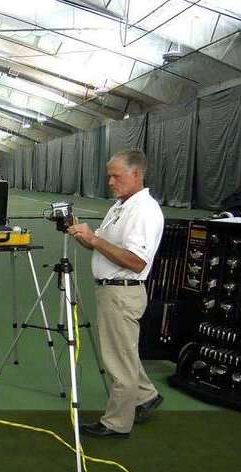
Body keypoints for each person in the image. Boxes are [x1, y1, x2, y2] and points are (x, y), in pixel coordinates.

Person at [66, 149, 165, 438]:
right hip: (112, 292)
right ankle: (146, 396)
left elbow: (136, 261)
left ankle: (117, 423)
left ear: (136, 174)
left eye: (116, 176)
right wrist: (84, 235)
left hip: (122, 293)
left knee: (117, 361)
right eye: (109, 175)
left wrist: (94, 239)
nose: (110, 181)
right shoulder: (121, 206)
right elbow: (104, 246)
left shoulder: (144, 211)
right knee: (123, 352)